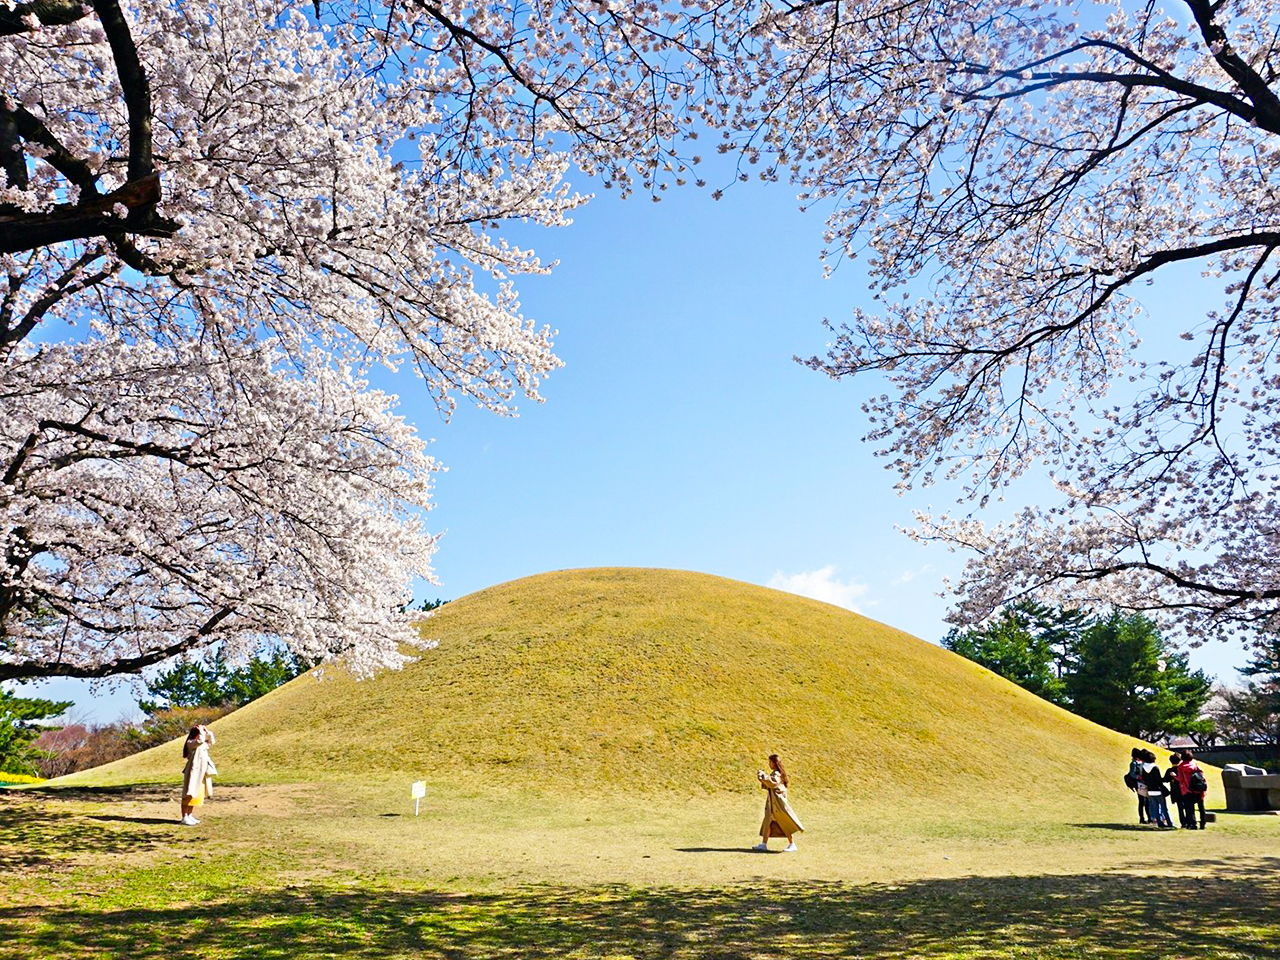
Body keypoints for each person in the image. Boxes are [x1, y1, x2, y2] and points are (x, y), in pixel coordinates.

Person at [752, 753, 804, 852]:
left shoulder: (776, 774)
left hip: (777, 805)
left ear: (774, 763)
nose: (769, 764)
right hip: (773, 804)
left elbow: (773, 783)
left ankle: (792, 844)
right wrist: (762, 778)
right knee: (768, 823)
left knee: (784, 823)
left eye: (770, 762)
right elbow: (770, 784)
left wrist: (763, 776)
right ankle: (764, 844)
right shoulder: (777, 773)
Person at [180, 724, 217, 826]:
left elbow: (211, 742)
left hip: (201, 772)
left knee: (195, 794)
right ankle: (184, 817)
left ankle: (190, 815)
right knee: (188, 794)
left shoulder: (202, 744)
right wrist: (200, 731)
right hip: (193, 772)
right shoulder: (191, 743)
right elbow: (200, 741)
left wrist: (207, 732)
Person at [1139, 749, 1174, 829]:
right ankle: (1169, 823)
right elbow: (1158, 780)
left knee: (1156, 808)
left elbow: (1144, 779)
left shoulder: (1143, 768)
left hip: (1150, 791)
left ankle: (1159, 823)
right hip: (1158, 790)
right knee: (1164, 808)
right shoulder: (1155, 768)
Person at [1175, 749, 1208, 830]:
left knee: (1189, 809)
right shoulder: (1195, 765)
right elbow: (1202, 776)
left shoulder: (1181, 767)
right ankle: (1203, 823)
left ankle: (1193, 824)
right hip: (1198, 789)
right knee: (1201, 807)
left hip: (1187, 790)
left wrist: (1173, 776)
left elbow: (1180, 779)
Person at [1126, 748, 1149, 824]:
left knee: (1146, 801)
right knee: (1142, 801)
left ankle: (1148, 817)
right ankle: (1142, 818)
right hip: (1139, 784)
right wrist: (1139, 777)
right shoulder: (1133, 763)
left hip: (1142, 783)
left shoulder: (1139, 762)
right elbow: (1132, 774)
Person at [1164, 753, 1185, 825]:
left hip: (1175, 791)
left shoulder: (1170, 770)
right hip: (1185, 790)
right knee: (1188, 807)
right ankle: (1190, 822)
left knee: (1180, 808)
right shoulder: (1182, 769)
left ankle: (1183, 823)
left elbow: (1165, 779)